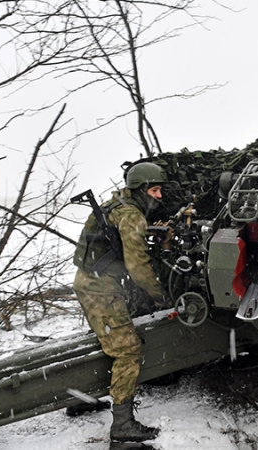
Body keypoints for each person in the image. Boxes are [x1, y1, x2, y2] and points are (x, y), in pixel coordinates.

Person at [72, 162, 168, 443]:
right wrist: (160, 294)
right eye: (154, 189)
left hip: (87, 284)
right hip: (102, 290)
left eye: (160, 189)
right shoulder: (132, 215)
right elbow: (138, 268)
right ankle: (123, 425)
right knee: (127, 351)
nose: (159, 196)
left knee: (104, 343)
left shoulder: (115, 205)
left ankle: (80, 398)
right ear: (140, 190)